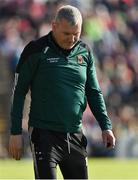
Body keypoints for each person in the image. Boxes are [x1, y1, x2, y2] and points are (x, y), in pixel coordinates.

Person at [9, 5, 116, 179]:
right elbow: (19, 91)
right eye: (67, 34)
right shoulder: (35, 50)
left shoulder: (85, 52)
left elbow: (94, 91)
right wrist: (15, 132)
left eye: (77, 33)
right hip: (44, 134)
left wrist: (106, 126)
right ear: (54, 26)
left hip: (75, 134)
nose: (72, 39)